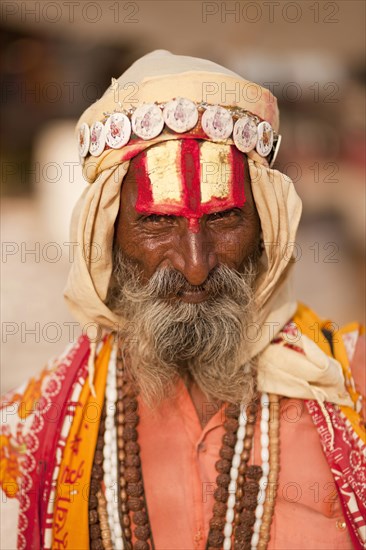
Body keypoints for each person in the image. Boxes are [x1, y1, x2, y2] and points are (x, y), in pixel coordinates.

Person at [1, 50, 365, 550]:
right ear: (107, 235)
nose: (196, 264)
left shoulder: (350, 390)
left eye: (224, 218)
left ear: (266, 229)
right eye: (156, 222)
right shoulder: (29, 432)